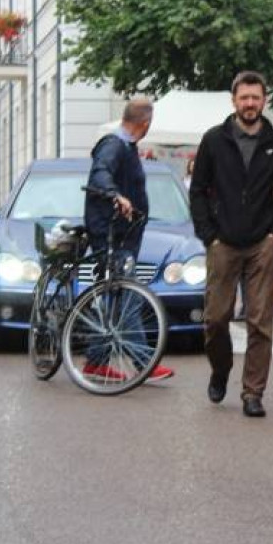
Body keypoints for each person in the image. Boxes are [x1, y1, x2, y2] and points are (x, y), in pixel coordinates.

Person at [189, 71, 273, 418]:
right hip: (223, 242)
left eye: (256, 97)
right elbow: (198, 190)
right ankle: (220, 370)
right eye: (244, 98)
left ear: (265, 100)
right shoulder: (214, 140)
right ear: (233, 101)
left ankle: (253, 392)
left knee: (259, 321)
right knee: (216, 319)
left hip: (261, 245)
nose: (250, 104)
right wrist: (209, 234)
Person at [84, 97, 174, 382]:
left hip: (121, 235)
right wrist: (116, 195)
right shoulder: (114, 145)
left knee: (116, 299)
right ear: (145, 124)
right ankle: (144, 363)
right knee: (130, 295)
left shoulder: (126, 147)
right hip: (113, 236)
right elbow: (100, 174)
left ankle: (96, 362)